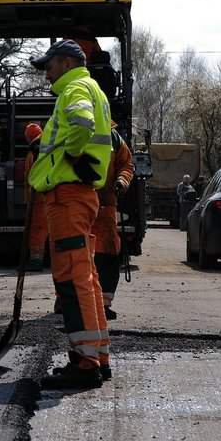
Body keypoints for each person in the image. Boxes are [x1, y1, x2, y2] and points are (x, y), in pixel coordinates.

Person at [27, 39, 113, 389]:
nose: (46, 73)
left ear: (65, 62)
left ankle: (84, 363)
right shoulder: (93, 88)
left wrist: (74, 155)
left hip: (67, 195)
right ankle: (96, 355)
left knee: (71, 277)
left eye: (49, 66)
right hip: (78, 195)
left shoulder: (75, 87)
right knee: (86, 276)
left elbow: (81, 123)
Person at [91, 125, 135, 321]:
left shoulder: (112, 136)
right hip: (77, 202)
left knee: (107, 252)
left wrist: (122, 181)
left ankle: (103, 302)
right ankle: (69, 300)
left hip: (104, 203)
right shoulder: (72, 126)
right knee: (74, 251)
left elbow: (126, 164)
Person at [24, 122, 48, 272]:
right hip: (47, 196)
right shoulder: (45, 146)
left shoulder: (34, 151)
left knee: (38, 231)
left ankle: (36, 261)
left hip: (39, 197)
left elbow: (32, 176)